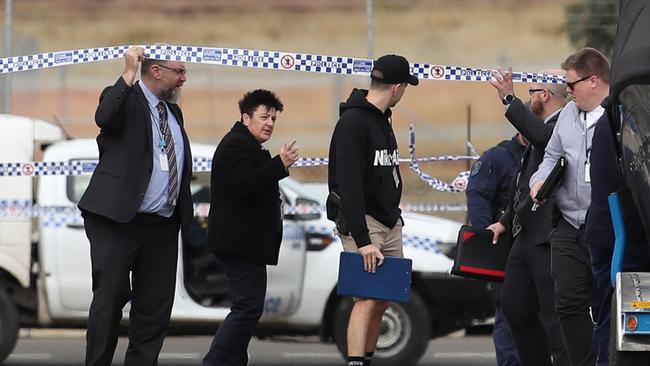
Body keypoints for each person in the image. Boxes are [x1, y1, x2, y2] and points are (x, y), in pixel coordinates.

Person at [78, 46, 193, 366]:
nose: (184, 79)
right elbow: (104, 117)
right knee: (110, 299)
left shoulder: (173, 112)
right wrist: (128, 73)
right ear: (157, 71)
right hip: (118, 221)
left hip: (162, 224)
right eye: (179, 72)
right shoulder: (123, 97)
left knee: (154, 309)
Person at [328, 54, 418, 366]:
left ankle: (367, 358)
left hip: (389, 221)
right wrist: (363, 239)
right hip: (363, 223)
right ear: (397, 87)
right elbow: (349, 185)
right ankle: (355, 361)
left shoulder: (382, 118)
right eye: (406, 86)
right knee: (365, 297)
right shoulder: (353, 123)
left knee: (384, 297)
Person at [202, 89, 299, 366]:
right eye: (264, 117)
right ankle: (215, 361)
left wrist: (274, 165)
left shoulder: (252, 146)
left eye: (273, 119)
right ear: (246, 118)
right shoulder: (235, 145)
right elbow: (243, 184)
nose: (269, 123)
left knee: (249, 309)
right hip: (239, 244)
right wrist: (278, 165)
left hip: (250, 245)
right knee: (246, 309)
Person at [529, 47, 611, 366]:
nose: (567, 91)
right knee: (568, 304)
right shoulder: (566, 115)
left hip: (606, 227)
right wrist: (539, 181)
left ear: (593, 81)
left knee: (608, 303)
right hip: (567, 224)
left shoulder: (620, 116)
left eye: (571, 84)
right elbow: (551, 156)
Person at [487, 67, 569, 366]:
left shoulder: (564, 124)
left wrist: (509, 99)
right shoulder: (542, 127)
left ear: (544, 95)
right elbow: (524, 182)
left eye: (531, 91)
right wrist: (506, 220)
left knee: (554, 316)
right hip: (524, 233)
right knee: (516, 307)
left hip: (548, 237)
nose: (528, 97)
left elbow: (543, 137)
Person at [466, 132, 526, 366]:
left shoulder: (547, 153)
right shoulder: (497, 158)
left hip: (543, 248)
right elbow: (477, 197)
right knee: (509, 314)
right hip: (506, 249)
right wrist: (488, 239)